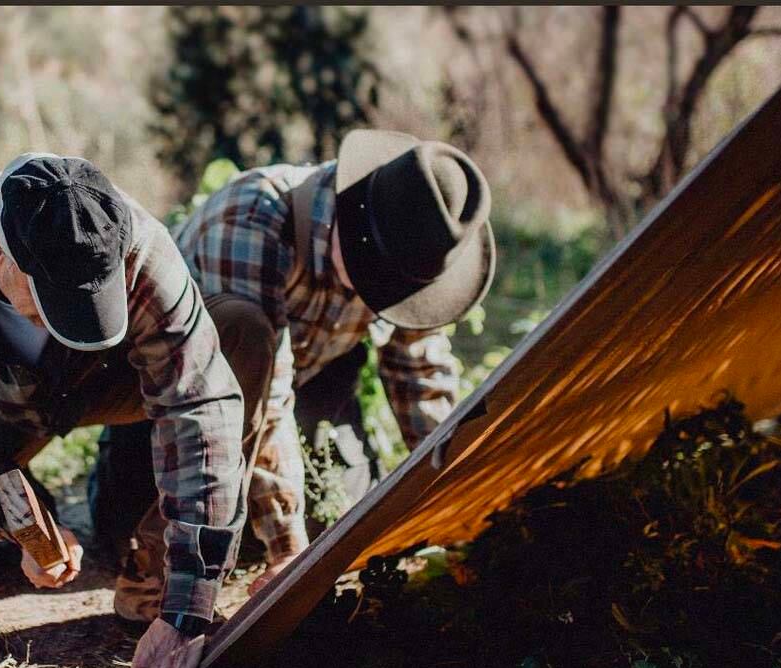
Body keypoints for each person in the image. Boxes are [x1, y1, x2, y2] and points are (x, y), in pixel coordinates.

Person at [96, 130, 495, 601]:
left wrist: (461, 501)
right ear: (351, 223)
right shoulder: (249, 219)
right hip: (184, 401)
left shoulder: (411, 239)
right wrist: (287, 547)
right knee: (124, 536)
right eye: (377, 281)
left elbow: (421, 377)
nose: (385, 297)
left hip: (316, 380)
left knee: (338, 525)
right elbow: (263, 390)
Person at [0, 153, 249, 668]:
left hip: (101, 386)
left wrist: (186, 608)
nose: (75, 325)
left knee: (239, 332)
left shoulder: (137, 244)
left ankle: (142, 544)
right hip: (3, 411)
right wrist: (23, 523)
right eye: (53, 308)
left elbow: (201, 408)